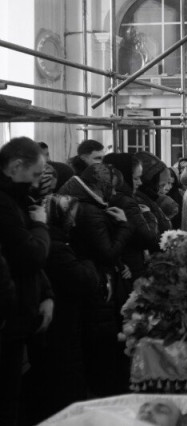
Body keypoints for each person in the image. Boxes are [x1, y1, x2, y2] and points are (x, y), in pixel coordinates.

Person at [58, 163, 133, 397]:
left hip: (95, 282)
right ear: (102, 185)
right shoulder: (90, 211)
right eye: (112, 187)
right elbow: (107, 252)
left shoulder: (85, 204)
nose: (114, 192)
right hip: (99, 286)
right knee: (103, 354)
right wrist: (124, 226)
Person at [24, 194, 99, 423]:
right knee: (63, 386)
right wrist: (88, 262)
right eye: (71, 217)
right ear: (60, 218)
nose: (74, 224)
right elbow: (83, 279)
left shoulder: (54, 243)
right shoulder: (58, 249)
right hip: (61, 328)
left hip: (58, 326)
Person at [0, 137, 52, 426]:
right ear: (16, 166)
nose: (35, 184)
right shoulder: (5, 204)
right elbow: (30, 255)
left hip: (20, 315)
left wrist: (46, 294)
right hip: (9, 319)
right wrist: (41, 225)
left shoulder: (16, 198)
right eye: (34, 175)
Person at [104, 153, 160, 279]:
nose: (140, 182)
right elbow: (149, 238)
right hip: (132, 265)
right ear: (125, 177)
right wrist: (149, 215)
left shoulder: (112, 198)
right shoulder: (126, 202)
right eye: (136, 178)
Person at [134, 152, 173, 236]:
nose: (165, 189)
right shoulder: (140, 201)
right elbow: (150, 235)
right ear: (150, 183)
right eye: (161, 185)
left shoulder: (150, 199)